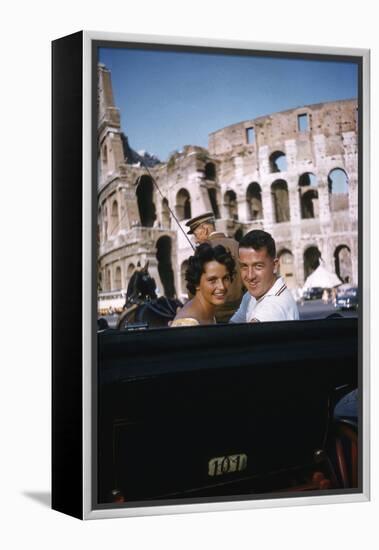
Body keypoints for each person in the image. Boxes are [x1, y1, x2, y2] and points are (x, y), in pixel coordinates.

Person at [230, 229, 299, 323]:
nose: (250, 276)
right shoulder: (251, 295)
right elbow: (233, 325)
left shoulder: (274, 307)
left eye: (258, 266)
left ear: (275, 266)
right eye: (244, 266)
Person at [185, 212, 243, 322]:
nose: (196, 240)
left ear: (205, 229)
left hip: (213, 318)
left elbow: (192, 291)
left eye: (196, 235)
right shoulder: (237, 245)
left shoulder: (202, 252)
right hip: (240, 315)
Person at [171, 243, 235, 327]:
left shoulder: (208, 312)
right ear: (197, 283)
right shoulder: (188, 324)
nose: (222, 287)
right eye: (212, 280)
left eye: (225, 278)